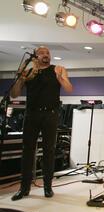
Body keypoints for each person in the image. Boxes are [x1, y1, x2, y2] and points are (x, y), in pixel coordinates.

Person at [10, 46, 73, 201]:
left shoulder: (58, 69)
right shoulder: (30, 72)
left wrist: (60, 77)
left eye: (48, 53)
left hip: (50, 114)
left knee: (48, 151)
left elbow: (69, 88)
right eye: (42, 53)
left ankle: (47, 187)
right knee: (27, 151)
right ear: (35, 57)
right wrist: (21, 79)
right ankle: (24, 188)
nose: (46, 55)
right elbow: (14, 94)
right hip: (31, 114)